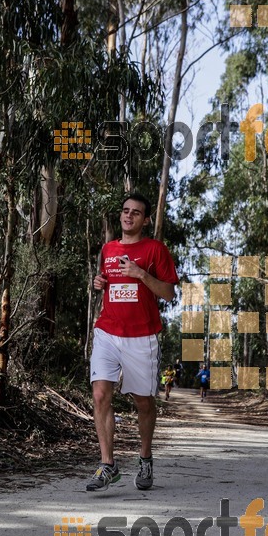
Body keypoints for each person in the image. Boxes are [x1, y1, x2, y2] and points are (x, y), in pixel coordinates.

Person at [87, 192, 179, 492]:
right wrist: (99, 283)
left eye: (136, 213)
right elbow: (107, 282)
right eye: (125, 211)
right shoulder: (108, 249)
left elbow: (168, 294)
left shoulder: (155, 250)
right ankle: (108, 464)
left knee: (144, 401)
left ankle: (145, 457)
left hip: (142, 336)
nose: (128, 216)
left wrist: (140, 274)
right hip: (107, 331)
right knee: (101, 394)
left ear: (146, 219)